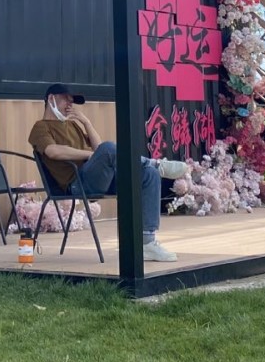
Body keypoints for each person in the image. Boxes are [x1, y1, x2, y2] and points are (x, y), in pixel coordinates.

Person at [28, 83, 187, 263]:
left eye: (72, 101)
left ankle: (147, 243)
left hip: (98, 179)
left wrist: (86, 122)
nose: (69, 105)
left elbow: (99, 149)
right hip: (76, 184)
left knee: (149, 174)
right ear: (51, 99)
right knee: (110, 148)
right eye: (66, 99)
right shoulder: (40, 127)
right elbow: (53, 151)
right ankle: (153, 162)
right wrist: (90, 155)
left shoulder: (73, 126)